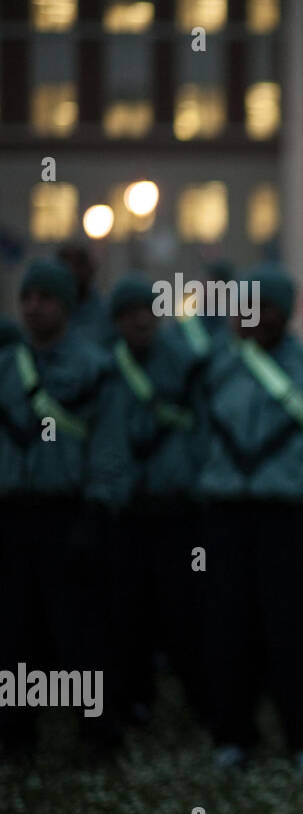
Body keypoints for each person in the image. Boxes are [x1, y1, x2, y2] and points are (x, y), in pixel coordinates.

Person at [196, 263, 303, 774]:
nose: (244, 317)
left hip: (295, 518)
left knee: (296, 630)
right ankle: (233, 736)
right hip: (228, 516)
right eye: (237, 306)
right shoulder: (214, 367)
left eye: (256, 306)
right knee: (228, 628)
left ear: (280, 311)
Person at [0, 259, 128, 763]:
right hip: (12, 513)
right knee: (13, 632)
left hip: (69, 513)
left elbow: (109, 445)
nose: (34, 307)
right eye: (27, 298)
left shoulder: (94, 366)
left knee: (80, 634)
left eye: (46, 298)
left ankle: (98, 734)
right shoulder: (6, 366)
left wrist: (98, 509)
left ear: (66, 306)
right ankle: (15, 732)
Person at [101, 275, 211, 728]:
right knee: (127, 615)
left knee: (185, 611)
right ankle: (133, 701)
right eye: (127, 313)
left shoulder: (187, 363)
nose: (138, 320)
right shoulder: (105, 367)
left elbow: (203, 430)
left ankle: (200, 702)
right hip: (124, 509)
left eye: (145, 310)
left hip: (176, 508)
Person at [56, 243, 113, 348]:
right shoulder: (51, 315)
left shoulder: (107, 315)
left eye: (79, 265)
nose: (73, 272)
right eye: (66, 266)